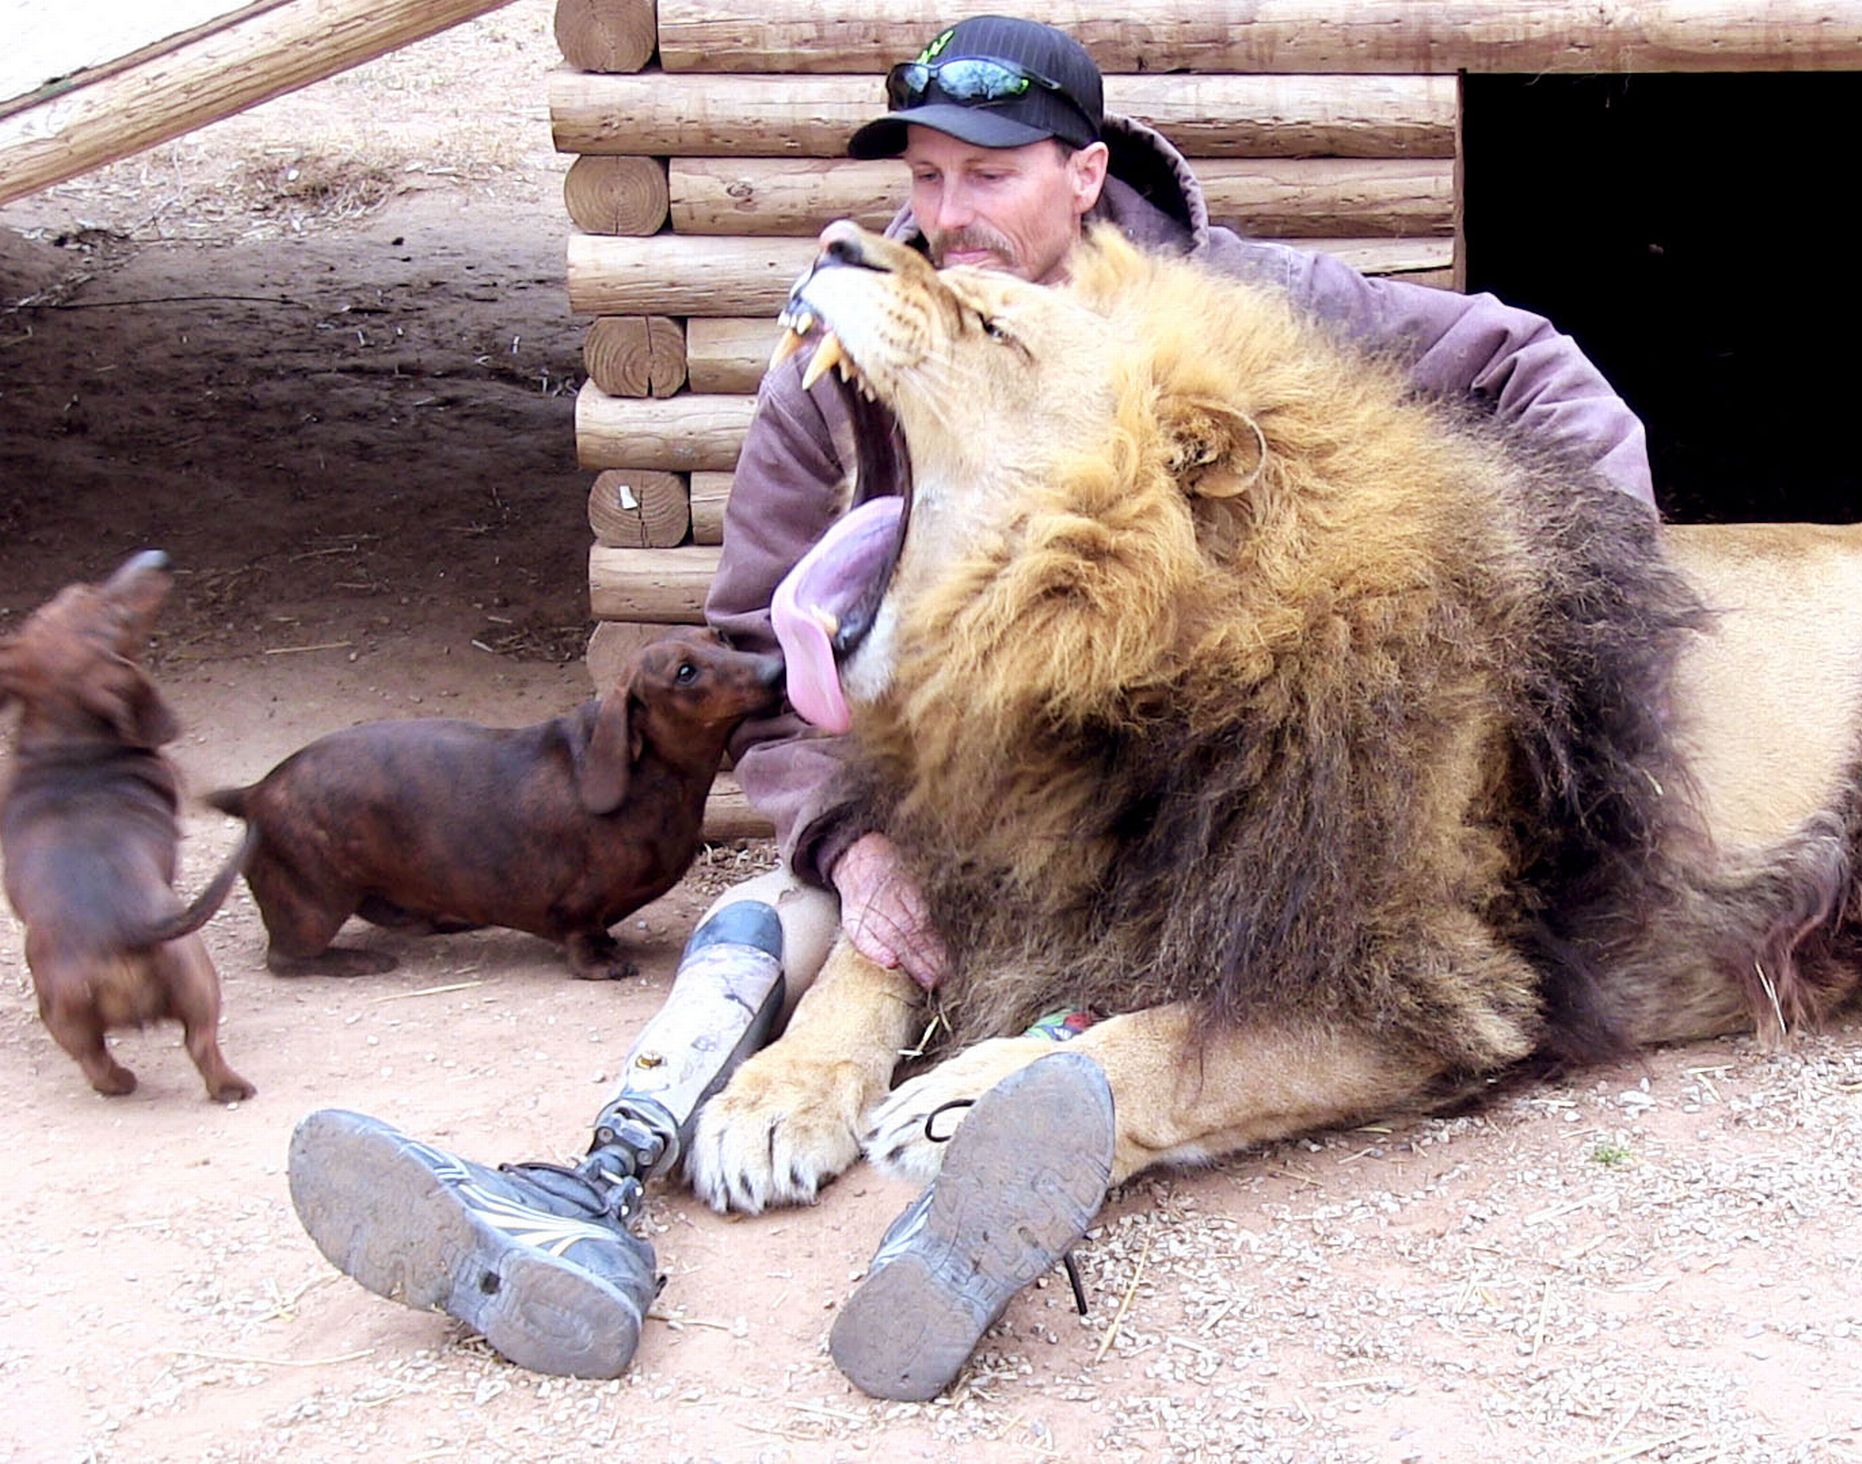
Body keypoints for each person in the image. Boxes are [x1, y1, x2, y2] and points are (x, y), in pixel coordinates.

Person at [284, 14, 1656, 1394]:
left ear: (1081, 171)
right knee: (808, 903)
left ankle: (963, 1223)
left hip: (1181, 747)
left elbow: (1523, 363)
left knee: (1241, 923)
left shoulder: (1234, 308)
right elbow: (763, 657)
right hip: (943, 776)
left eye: (986, 177)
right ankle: (602, 1168)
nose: (945, 217)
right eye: (926, 179)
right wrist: (849, 839)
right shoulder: (863, 344)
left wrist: (1592, 611)